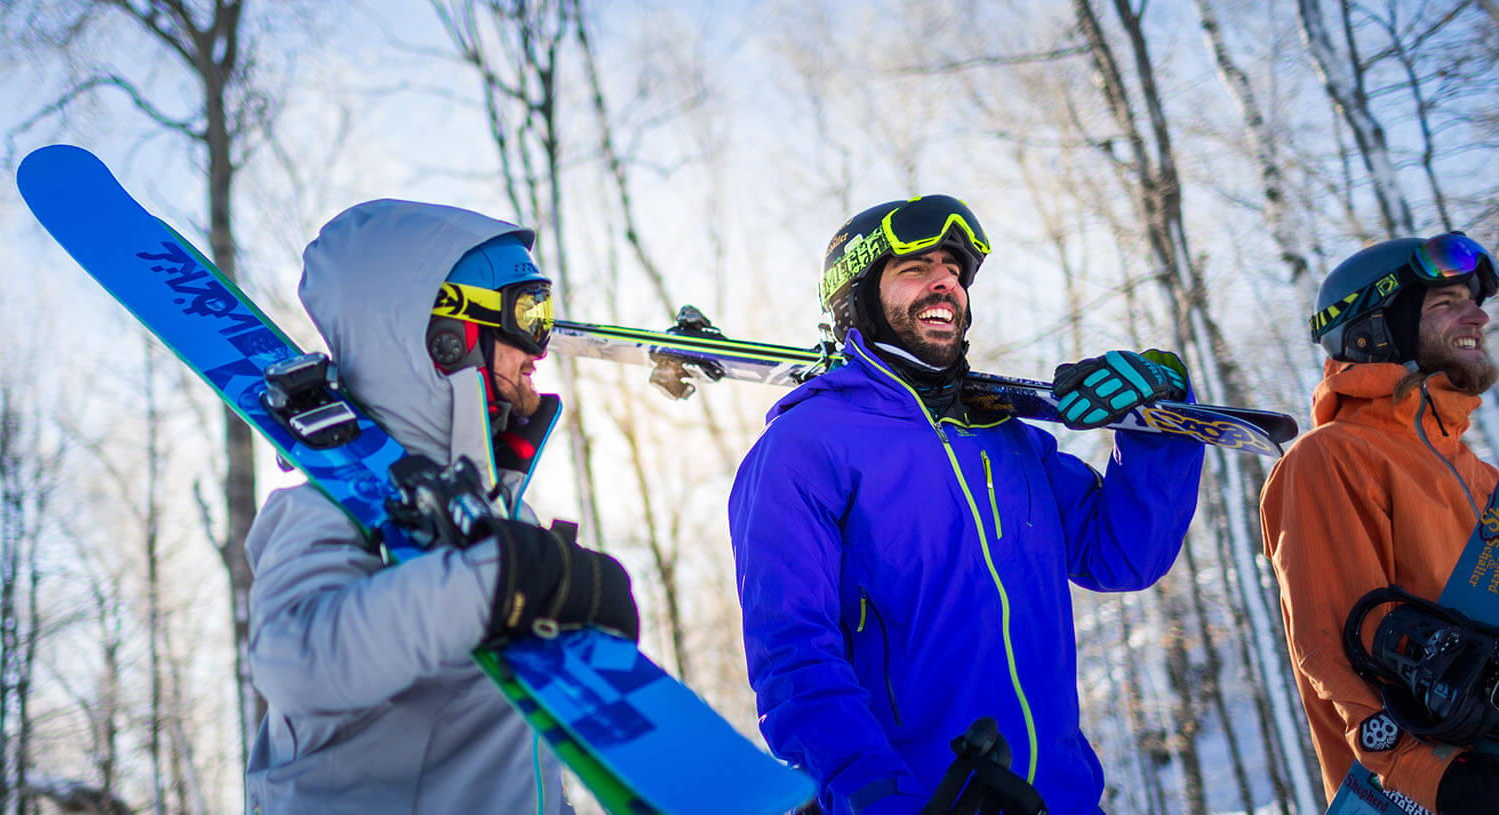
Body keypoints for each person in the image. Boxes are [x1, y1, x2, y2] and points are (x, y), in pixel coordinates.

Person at [728, 195, 1207, 814]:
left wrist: (1156, 425)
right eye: (915, 269)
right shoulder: (804, 446)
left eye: (953, 272)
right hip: (927, 802)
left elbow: (1121, 555)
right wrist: (880, 799)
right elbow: (793, 659)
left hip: (1059, 800)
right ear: (857, 297)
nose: (945, 284)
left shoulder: (1008, 440)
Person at [242, 199, 638, 814]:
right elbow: (293, 662)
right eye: (528, 313)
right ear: (445, 338)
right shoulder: (327, 510)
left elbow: (516, 763)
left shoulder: (508, 518)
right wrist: (498, 582)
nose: (539, 348)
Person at [1260, 233, 1499, 814]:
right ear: (1376, 329)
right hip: (1426, 792)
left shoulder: (1484, 478)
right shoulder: (1329, 458)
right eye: (1446, 303)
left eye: (1474, 301)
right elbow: (1333, 644)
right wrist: (1437, 778)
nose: (1478, 316)